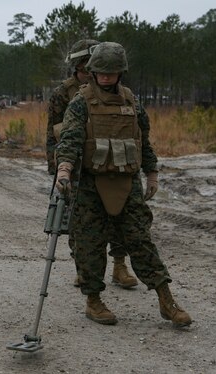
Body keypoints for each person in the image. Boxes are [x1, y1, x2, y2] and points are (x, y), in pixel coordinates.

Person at [55, 41, 191, 327]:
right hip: (92, 185)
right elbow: (69, 140)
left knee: (141, 241)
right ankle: (93, 301)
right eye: (101, 73)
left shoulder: (132, 101)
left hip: (128, 183)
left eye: (112, 73)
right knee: (90, 244)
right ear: (92, 72)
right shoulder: (80, 102)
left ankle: (167, 301)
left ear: (120, 73)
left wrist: (152, 173)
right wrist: (64, 169)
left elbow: (144, 141)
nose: (106, 78)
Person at [48, 39, 138, 289]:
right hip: (78, 167)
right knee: (80, 222)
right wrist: (56, 168)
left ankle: (120, 265)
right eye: (85, 68)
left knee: (119, 217)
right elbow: (52, 133)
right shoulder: (64, 94)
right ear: (77, 67)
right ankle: (84, 267)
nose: (92, 72)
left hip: (113, 162)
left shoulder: (116, 91)